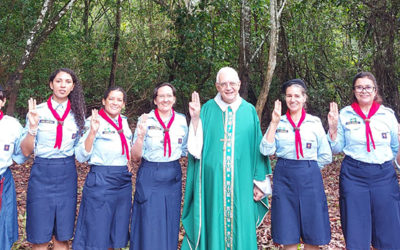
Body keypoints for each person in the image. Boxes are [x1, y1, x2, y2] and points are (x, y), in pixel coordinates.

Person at [182, 67, 271, 250]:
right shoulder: (206, 109)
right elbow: (194, 150)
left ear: (239, 84)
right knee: (212, 223)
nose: (228, 87)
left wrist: (260, 183)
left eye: (232, 83)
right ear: (217, 86)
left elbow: (257, 149)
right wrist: (196, 119)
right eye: (224, 84)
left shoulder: (249, 111)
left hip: (242, 183)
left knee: (241, 225)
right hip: (211, 184)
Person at [328, 71, 400, 250]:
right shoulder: (345, 114)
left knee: (389, 231)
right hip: (354, 176)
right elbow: (336, 149)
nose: (364, 91)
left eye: (368, 87)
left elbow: (395, 148)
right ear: (354, 91)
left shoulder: (387, 115)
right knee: (356, 231)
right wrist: (333, 129)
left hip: (383, 176)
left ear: (375, 91)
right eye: (359, 87)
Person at [260, 79, 332, 250]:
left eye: (297, 96)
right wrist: (274, 123)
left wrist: (308, 168)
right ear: (285, 98)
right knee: (288, 229)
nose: (293, 99)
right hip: (285, 177)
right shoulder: (279, 121)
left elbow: (326, 155)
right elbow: (265, 150)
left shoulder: (314, 123)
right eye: (289, 96)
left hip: (310, 176)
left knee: (312, 232)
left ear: (304, 98)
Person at [20, 68, 86, 250]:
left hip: (66, 173)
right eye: (58, 81)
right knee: (39, 236)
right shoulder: (37, 112)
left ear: (73, 87)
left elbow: (81, 153)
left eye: (67, 82)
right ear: (51, 84)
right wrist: (33, 128)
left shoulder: (78, 115)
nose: (62, 85)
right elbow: (25, 151)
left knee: (62, 235)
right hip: (42, 173)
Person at [130, 82, 188, 250]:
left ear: (174, 99)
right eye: (161, 96)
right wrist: (140, 137)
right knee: (148, 221)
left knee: (170, 220)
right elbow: (135, 157)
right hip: (150, 173)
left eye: (169, 96)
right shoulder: (145, 119)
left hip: (172, 175)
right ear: (155, 100)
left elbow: (185, 149)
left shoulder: (181, 120)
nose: (165, 99)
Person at [73, 86, 133, 250]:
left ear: (123, 104)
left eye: (119, 100)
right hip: (101, 180)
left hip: (123, 182)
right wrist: (92, 132)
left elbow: (126, 147)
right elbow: (80, 156)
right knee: (96, 231)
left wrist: (128, 160)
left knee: (116, 231)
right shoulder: (93, 121)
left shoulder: (125, 122)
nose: (115, 102)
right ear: (104, 101)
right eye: (111, 99)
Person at [0, 85, 28, 250]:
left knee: (2, 225)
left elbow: (21, 153)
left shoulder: (12, 125)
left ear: (3, 101)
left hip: (3, 179)